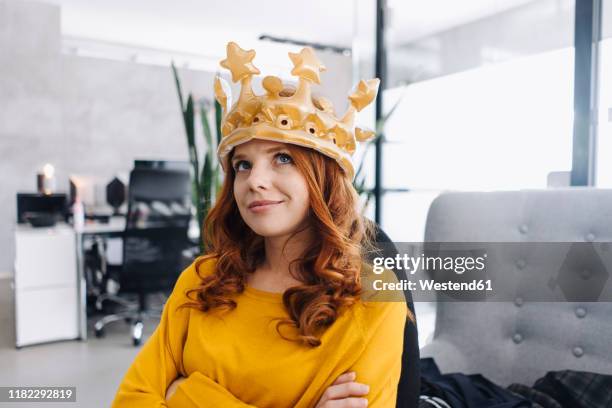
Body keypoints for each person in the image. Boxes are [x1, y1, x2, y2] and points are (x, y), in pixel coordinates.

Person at [112, 41, 414, 408]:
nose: (255, 180)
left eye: (283, 158)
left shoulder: (375, 299)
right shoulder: (201, 279)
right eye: (243, 164)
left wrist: (187, 394)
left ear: (323, 178)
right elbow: (131, 400)